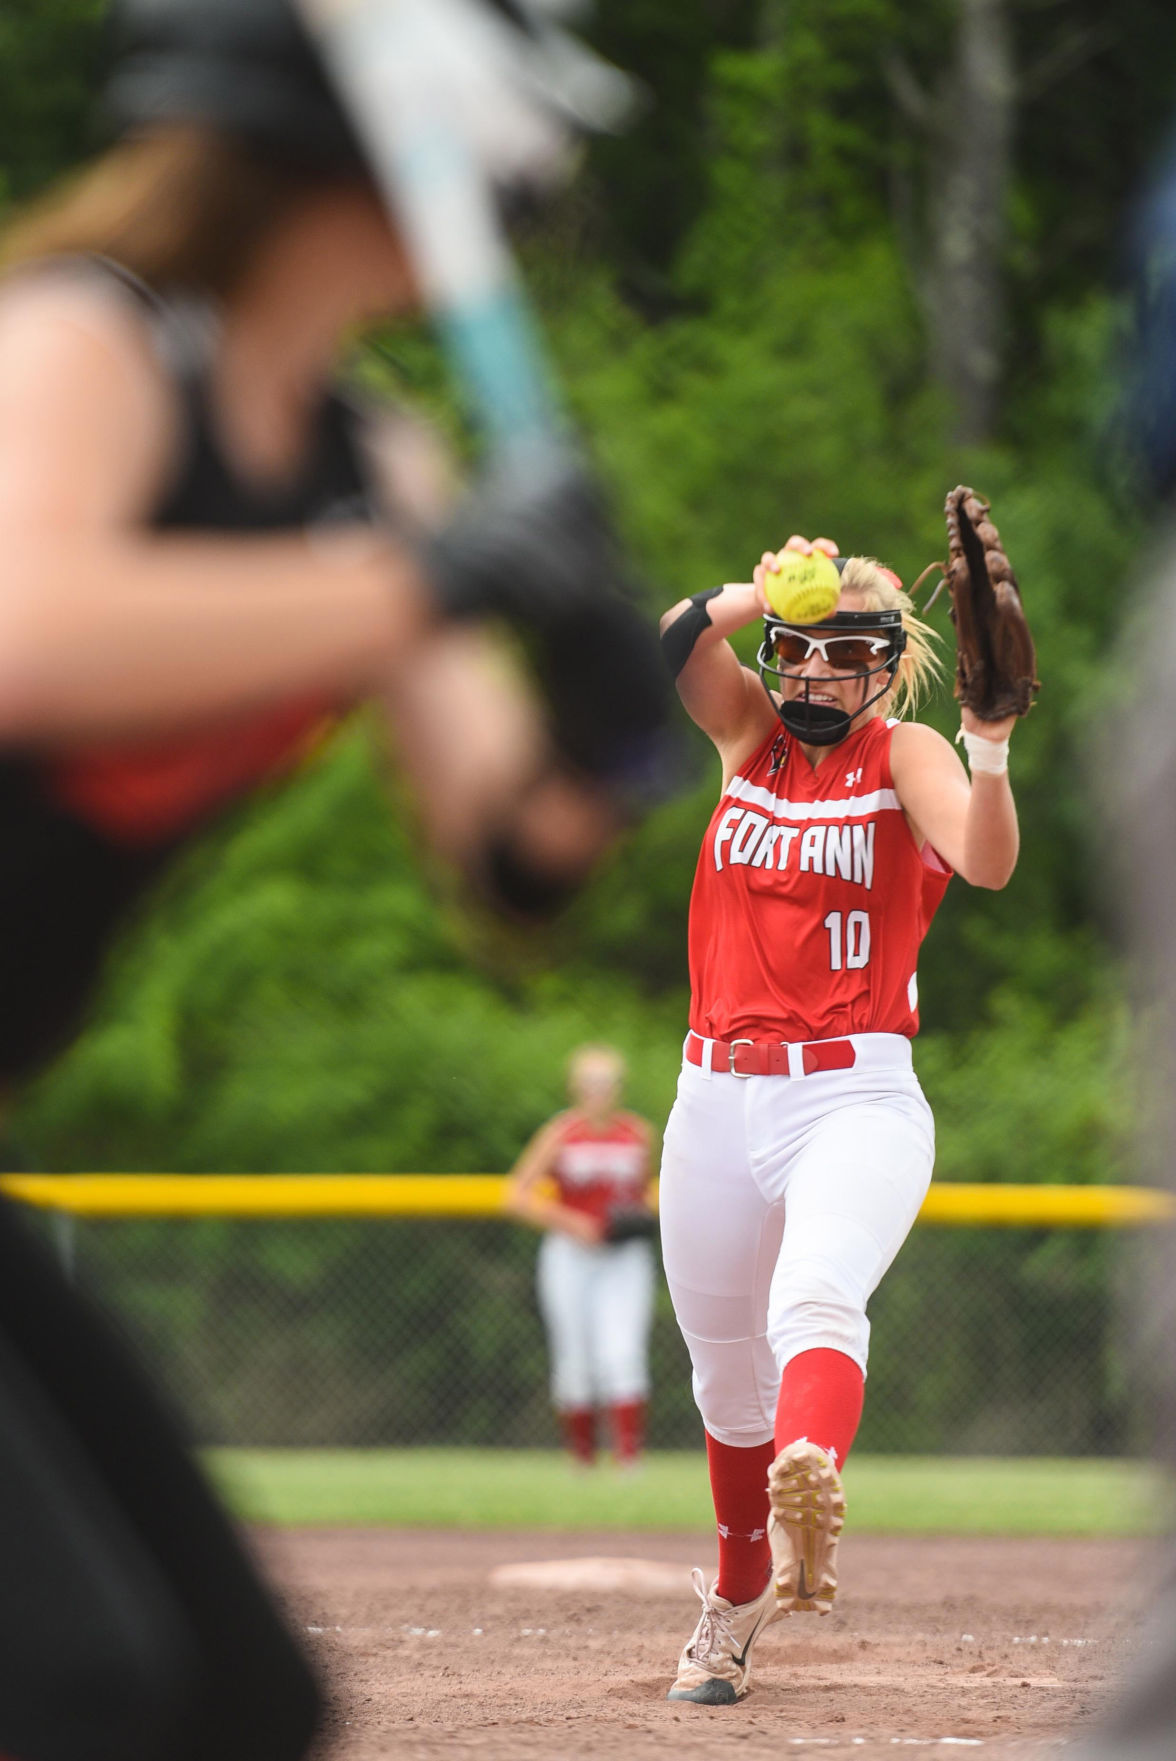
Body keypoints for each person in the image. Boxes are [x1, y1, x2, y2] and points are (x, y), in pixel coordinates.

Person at [0, 3, 673, 1757]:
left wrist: (609, 741)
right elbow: (28, 637)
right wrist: (431, 584)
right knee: (73, 1681)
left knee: (244, 1697)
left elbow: (504, 866)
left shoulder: (374, 465)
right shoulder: (89, 343)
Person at [655, 533, 1021, 1704]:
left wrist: (990, 746)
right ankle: (739, 1592)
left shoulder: (904, 751)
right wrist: (755, 590)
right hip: (714, 1096)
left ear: (884, 666)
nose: (813, 673)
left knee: (814, 1296)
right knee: (724, 1385)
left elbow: (985, 861)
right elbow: (670, 643)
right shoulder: (748, 736)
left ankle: (808, 1472)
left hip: (852, 1093)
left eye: (841, 654)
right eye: (797, 651)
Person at [506, 1043, 657, 1468]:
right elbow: (516, 1196)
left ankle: (628, 1461)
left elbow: (645, 1194)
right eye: (590, 1083)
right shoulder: (560, 1133)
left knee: (623, 1353)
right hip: (570, 1254)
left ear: (619, 1087)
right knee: (574, 1356)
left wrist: (636, 1220)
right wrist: (572, 1223)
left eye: (607, 1083)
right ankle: (583, 1463)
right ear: (575, 1087)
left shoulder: (638, 1133)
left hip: (623, 1255)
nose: (599, 1092)